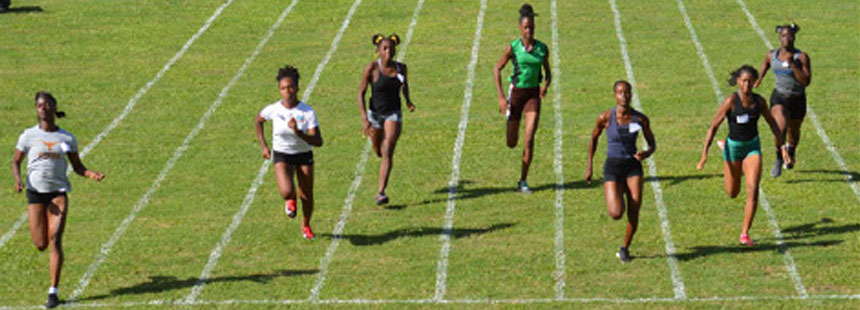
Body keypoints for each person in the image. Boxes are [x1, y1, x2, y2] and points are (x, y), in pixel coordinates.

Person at [11, 91, 105, 308]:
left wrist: (91, 174)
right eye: (39, 105)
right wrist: (18, 180)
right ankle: (52, 286)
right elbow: (16, 161)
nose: (43, 108)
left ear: (54, 107)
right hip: (35, 194)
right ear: (36, 110)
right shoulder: (27, 136)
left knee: (55, 239)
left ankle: (53, 292)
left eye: (46, 104)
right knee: (41, 244)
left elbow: (77, 166)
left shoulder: (67, 138)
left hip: (57, 193)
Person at [697, 65, 790, 246]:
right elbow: (713, 126)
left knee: (753, 190)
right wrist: (704, 154)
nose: (747, 84)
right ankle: (724, 148)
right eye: (744, 81)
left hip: (752, 148)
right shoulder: (731, 101)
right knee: (732, 192)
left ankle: (745, 233)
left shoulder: (759, 102)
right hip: (733, 148)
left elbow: (773, 124)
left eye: (750, 81)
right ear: (738, 82)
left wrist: (782, 148)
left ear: (755, 82)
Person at [585, 81, 655, 263]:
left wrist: (646, 153)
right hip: (613, 166)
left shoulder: (640, 119)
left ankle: (625, 248)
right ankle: (620, 190)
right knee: (616, 213)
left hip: (633, 166)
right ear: (615, 95)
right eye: (620, 92)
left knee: (634, 208)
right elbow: (593, 139)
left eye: (627, 92)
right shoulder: (605, 117)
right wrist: (589, 166)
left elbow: (652, 143)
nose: (624, 96)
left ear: (631, 94)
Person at [255, 65, 323, 239]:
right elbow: (259, 121)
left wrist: (299, 133)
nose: (287, 92)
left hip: (303, 154)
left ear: (297, 88)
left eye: (291, 87)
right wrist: (264, 146)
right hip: (282, 154)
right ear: (279, 90)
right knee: (286, 191)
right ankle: (290, 200)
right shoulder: (274, 109)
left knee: (306, 194)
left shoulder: (307, 112)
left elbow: (318, 141)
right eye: (283, 88)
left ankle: (306, 225)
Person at [492, 3, 551, 193]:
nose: (529, 31)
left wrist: (545, 86)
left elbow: (548, 72)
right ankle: (511, 121)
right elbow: (497, 68)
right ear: (520, 28)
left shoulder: (542, 48)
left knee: (529, 139)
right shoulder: (513, 47)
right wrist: (502, 97)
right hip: (516, 94)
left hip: (532, 96)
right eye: (526, 27)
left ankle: (523, 180)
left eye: (531, 27)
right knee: (511, 143)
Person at [357, 33, 415, 205]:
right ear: (378, 51)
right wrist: (364, 118)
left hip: (393, 113)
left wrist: (408, 101)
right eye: (385, 48)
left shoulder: (401, 68)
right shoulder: (372, 69)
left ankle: (381, 192)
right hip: (375, 114)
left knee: (388, 149)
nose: (388, 51)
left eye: (391, 48)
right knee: (379, 150)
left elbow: (404, 85)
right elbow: (361, 93)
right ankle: (380, 151)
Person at [753, 23, 811, 177]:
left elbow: (805, 81)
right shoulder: (772, 55)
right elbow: (765, 64)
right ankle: (779, 159)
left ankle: (791, 151)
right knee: (780, 128)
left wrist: (793, 65)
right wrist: (759, 79)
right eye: (784, 36)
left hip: (797, 99)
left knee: (794, 131)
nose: (787, 39)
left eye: (790, 35)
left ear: (794, 37)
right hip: (779, 97)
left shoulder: (801, 57)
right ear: (779, 38)